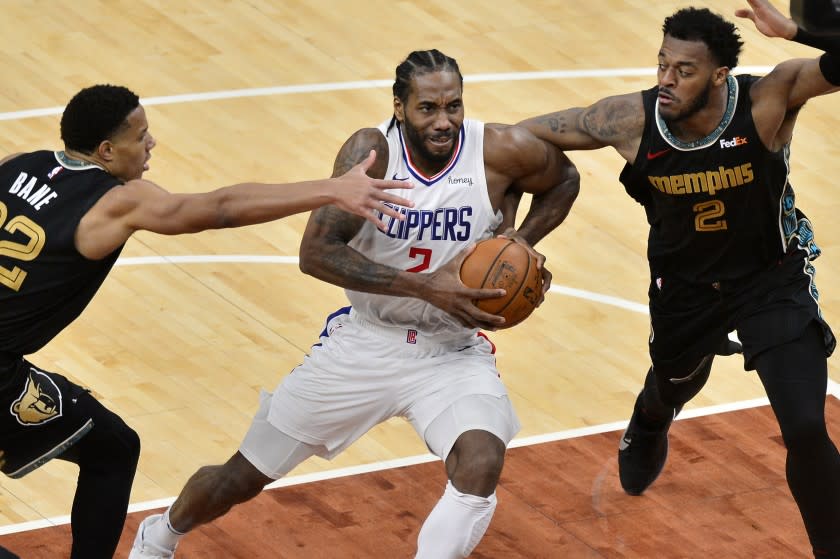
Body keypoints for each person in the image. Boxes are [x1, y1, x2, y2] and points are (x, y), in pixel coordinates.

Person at [129, 48, 580, 559]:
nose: (444, 120)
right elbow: (315, 254)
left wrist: (522, 239)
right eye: (427, 108)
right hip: (367, 342)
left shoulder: (499, 149)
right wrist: (426, 286)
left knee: (480, 462)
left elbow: (564, 180)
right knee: (243, 475)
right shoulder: (373, 154)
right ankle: (161, 534)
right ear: (399, 106)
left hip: (451, 352)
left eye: (452, 106)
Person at [0, 83, 414, 559]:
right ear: (107, 151)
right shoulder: (116, 202)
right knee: (112, 452)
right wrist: (333, 189)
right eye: (141, 135)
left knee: (109, 446)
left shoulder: (16, 164)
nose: (151, 143)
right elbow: (219, 208)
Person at [519, 1, 840, 556]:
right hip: (685, 288)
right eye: (662, 64)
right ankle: (651, 416)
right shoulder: (628, 120)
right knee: (676, 381)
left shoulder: (769, 98)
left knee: (808, 427)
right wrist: (503, 219)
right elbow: (516, 141)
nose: (665, 80)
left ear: (720, 75)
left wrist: (798, 32)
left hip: (770, 281)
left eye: (683, 70)